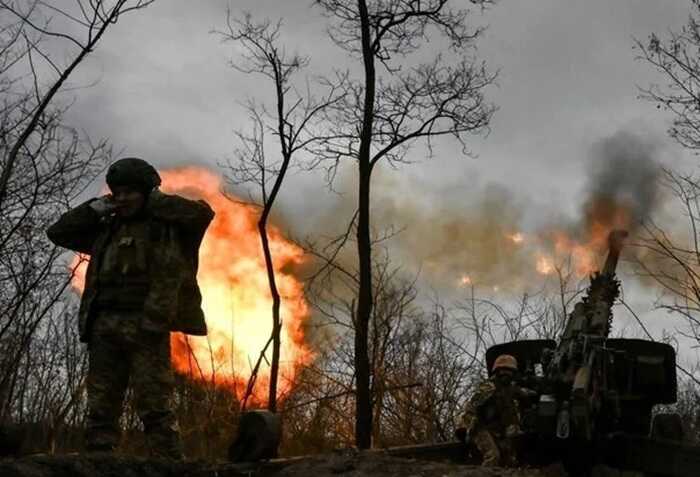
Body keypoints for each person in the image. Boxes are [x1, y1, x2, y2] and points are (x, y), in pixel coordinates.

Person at [47, 157, 214, 459]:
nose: (122, 199)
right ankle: (99, 460)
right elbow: (58, 232)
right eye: (117, 192)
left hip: (146, 325)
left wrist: (155, 201)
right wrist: (93, 208)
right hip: (104, 324)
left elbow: (201, 215)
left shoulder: (165, 227)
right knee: (101, 402)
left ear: (146, 193)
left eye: (130, 192)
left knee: (154, 402)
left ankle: (168, 462)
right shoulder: (106, 228)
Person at [456, 354, 526, 467]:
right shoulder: (489, 387)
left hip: (497, 430)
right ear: (497, 372)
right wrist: (463, 426)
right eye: (503, 371)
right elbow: (472, 406)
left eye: (509, 371)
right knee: (493, 456)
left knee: (509, 460)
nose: (506, 374)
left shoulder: (510, 390)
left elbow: (521, 396)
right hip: (480, 428)